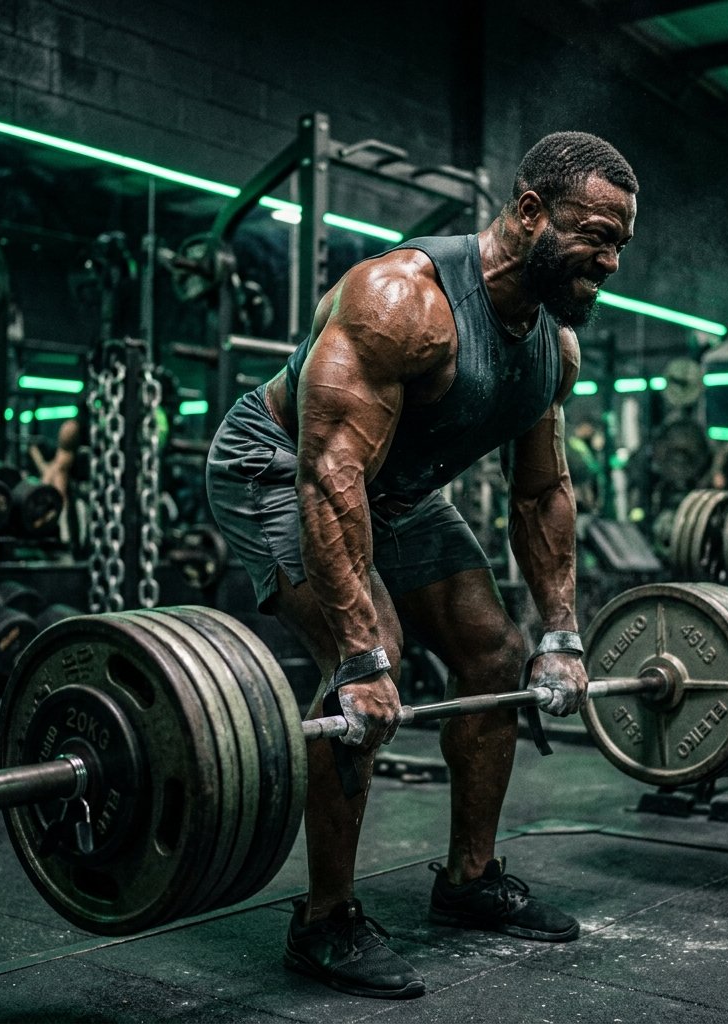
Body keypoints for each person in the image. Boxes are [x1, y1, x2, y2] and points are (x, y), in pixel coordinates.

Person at [206, 132, 638, 999]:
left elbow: (541, 493)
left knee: (494, 651)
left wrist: (561, 636)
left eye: (620, 243)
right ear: (530, 212)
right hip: (279, 465)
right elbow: (329, 476)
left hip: (393, 488)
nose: (611, 262)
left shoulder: (553, 348)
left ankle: (469, 879)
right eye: (596, 236)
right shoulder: (401, 300)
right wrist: (360, 657)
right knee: (372, 664)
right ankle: (325, 920)